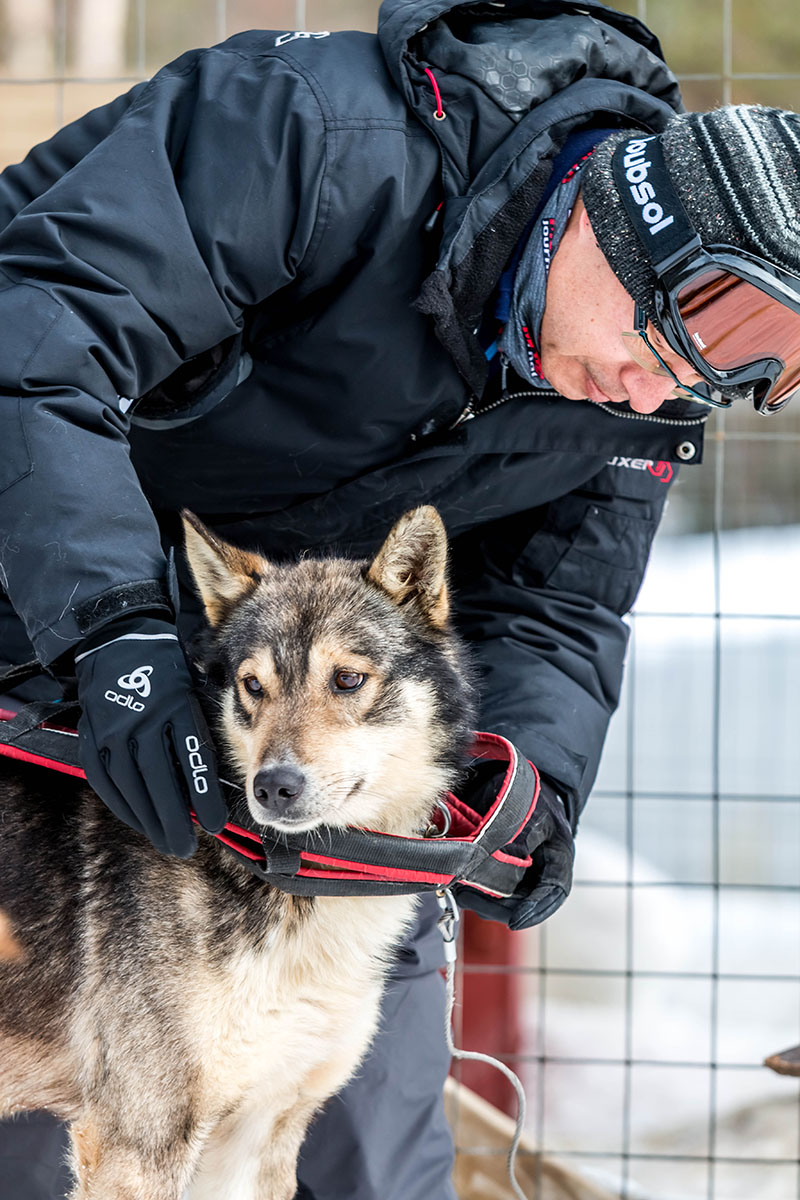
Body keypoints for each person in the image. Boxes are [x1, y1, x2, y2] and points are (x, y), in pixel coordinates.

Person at [1, 0, 799, 1195]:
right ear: (623, 221)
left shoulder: (637, 389)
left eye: (710, 380)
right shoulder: (310, 135)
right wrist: (115, 636)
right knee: (93, 1116)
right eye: (665, 339)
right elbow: (34, 346)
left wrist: (522, 778)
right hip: (53, 593)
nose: (651, 394)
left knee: (362, 1142)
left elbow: (556, 608)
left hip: (311, 709)